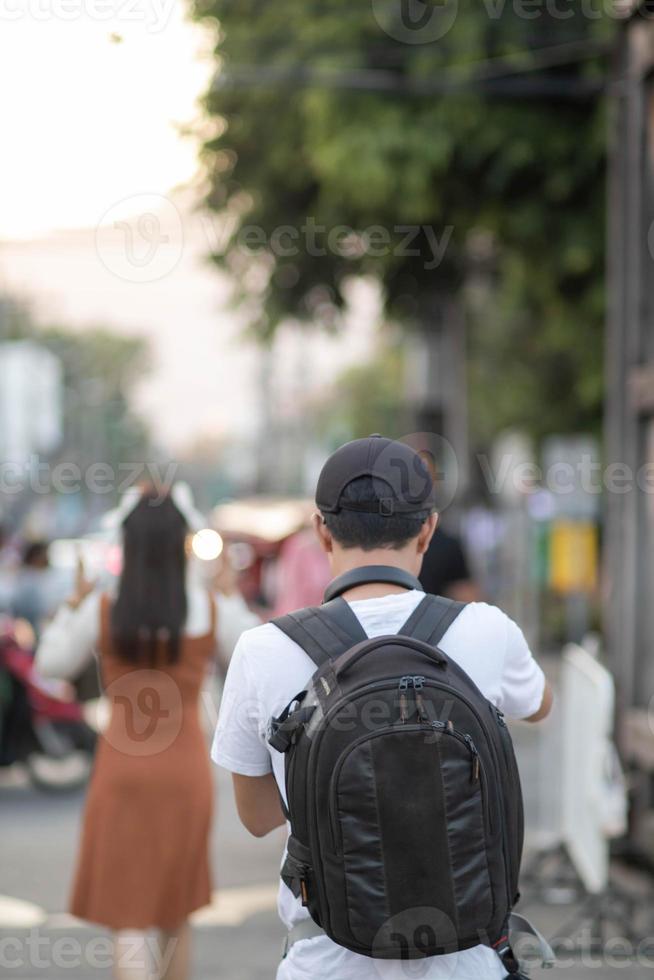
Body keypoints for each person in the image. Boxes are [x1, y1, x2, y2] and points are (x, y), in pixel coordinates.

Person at [212, 435, 553, 980]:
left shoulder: (264, 649)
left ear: (322, 530)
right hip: (464, 961)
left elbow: (258, 819)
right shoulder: (487, 629)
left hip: (326, 961)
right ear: (428, 527)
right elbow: (538, 704)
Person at [36, 484, 259, 980]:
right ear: (183, 541)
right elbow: (253, 650)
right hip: (185, 774)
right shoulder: (208, 607)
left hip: (121, 773)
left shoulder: (103, 606)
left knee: (129, 917)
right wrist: (228, 591)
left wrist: (73, 604)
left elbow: (50, 663)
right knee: (175, 911)